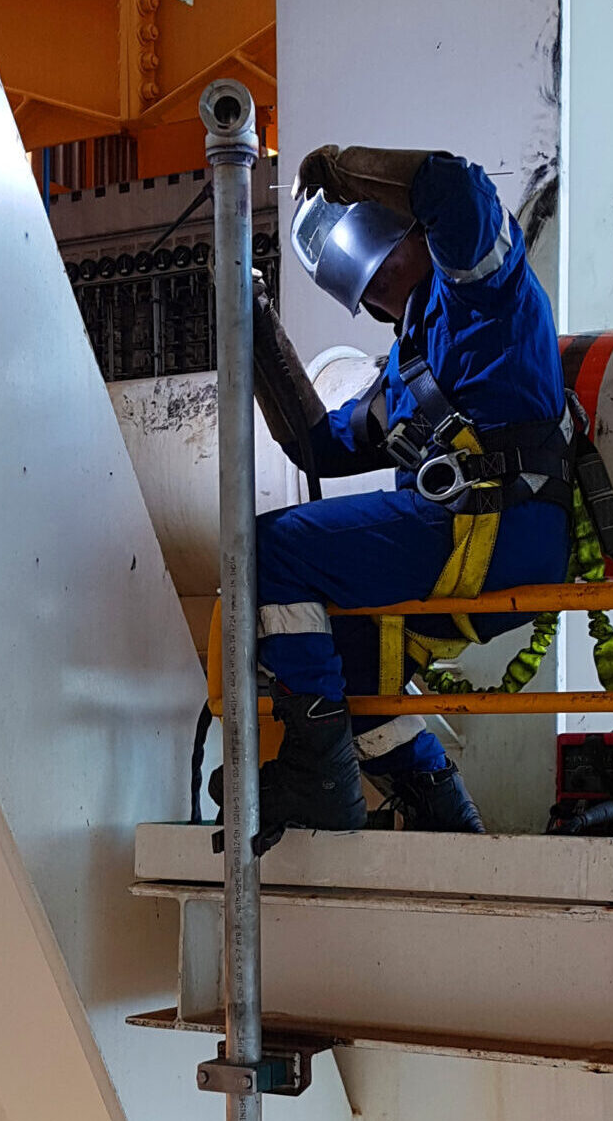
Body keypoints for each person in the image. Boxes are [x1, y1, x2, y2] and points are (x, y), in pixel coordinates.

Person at [237, 145, 573, 854]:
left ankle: (320, 774)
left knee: (269, 549)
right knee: (354, 662)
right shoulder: (406, 364)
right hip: (479, 538)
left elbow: (454, 186)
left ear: (415, 235)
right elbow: (317, 444)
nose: (380, 296)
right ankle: (450, 825)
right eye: (372, 292)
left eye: (383, 274)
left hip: (499, 524)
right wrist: (254, 328)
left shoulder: (483, 292)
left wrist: (343, 166)